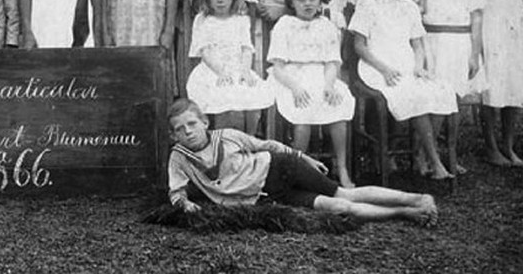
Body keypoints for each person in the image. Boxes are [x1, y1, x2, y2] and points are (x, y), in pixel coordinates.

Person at [166, 98, 439, 226]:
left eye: (192, 124)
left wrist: (303, 156)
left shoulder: (228, 136)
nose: (188, 132)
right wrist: (185, 204)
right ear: (174, 135)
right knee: (339, 207)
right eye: (180, 129)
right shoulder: (179, 157)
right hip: (268, 196)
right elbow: (176, 191)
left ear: (205, 122)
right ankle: (404, 212)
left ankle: (417, 199)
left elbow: (269, 145)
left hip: (280, 167)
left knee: (343, 193)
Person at [350, 0, 456, 180]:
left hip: (406, 64)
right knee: (413, 95)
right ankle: (435, 161)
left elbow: (417, 44)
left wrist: (419, 66)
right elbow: (360, 46)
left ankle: (421, 153)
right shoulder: (366, 3)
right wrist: (384, 69)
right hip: (376, 66)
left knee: (442, 91)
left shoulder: (409, 6)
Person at [269, 0, 356, 188]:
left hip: (322, 76)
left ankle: (342, 167)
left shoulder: (326, 26)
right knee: (303, 111)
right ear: (291, 2)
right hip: (291, 77)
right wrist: (295, 87)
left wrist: (329, 85)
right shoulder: (284, 24)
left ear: (320, 0)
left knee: (338, 106)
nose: (307, 3)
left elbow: (332, 62)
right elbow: (278, 67)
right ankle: (300, 168)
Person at [417, 0, 484, 175]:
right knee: (435, 101)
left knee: (453, 102)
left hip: (459, 44)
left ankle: (451, 154)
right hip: (432, 43)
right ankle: (425, 155)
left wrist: (474, 53)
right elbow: (417, 14)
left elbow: (476, 17)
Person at [467, 0, 523, 167]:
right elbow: (474, 1)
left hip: (516, 32)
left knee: (515, 88)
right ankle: (490, 146)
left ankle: (508, 145)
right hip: (490, 31)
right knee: (492, 89)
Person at [186, 0, 272, 133]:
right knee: (225, 102)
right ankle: (225, 140)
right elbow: (204, 51)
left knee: (254, 101)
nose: (220, 0)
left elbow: (246, 48)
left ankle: (248, 138)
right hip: (213, 70)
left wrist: (245, 71)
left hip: (239, 69)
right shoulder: (203, 20)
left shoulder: (241, 20)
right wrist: (221, 71)